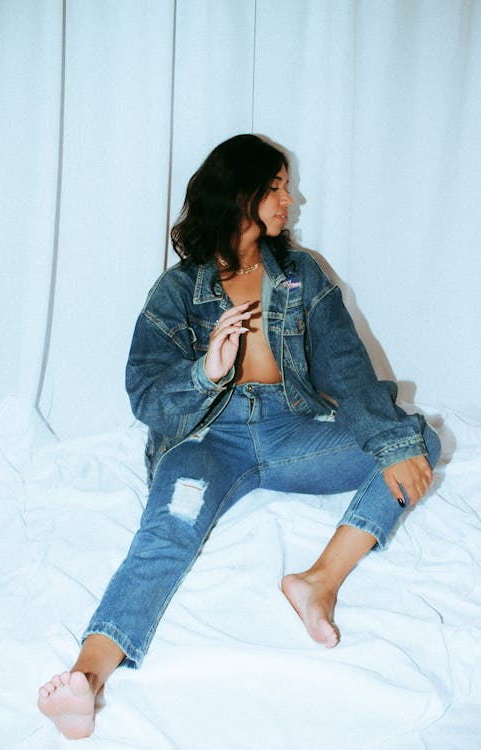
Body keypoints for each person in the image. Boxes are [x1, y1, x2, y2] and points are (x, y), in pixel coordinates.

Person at [38, 134, 440, 739]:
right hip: (205, 441)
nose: (289, 198)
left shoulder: (302, 275)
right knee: (165, 536)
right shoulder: (177, 290)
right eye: (275, 186)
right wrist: (206, 370)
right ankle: (85, 681)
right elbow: (145, 395)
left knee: (416, 441)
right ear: (239, 193)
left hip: (289, 431)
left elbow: (347, 369)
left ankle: (318, 582)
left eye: (286, 185)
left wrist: (392, 445)